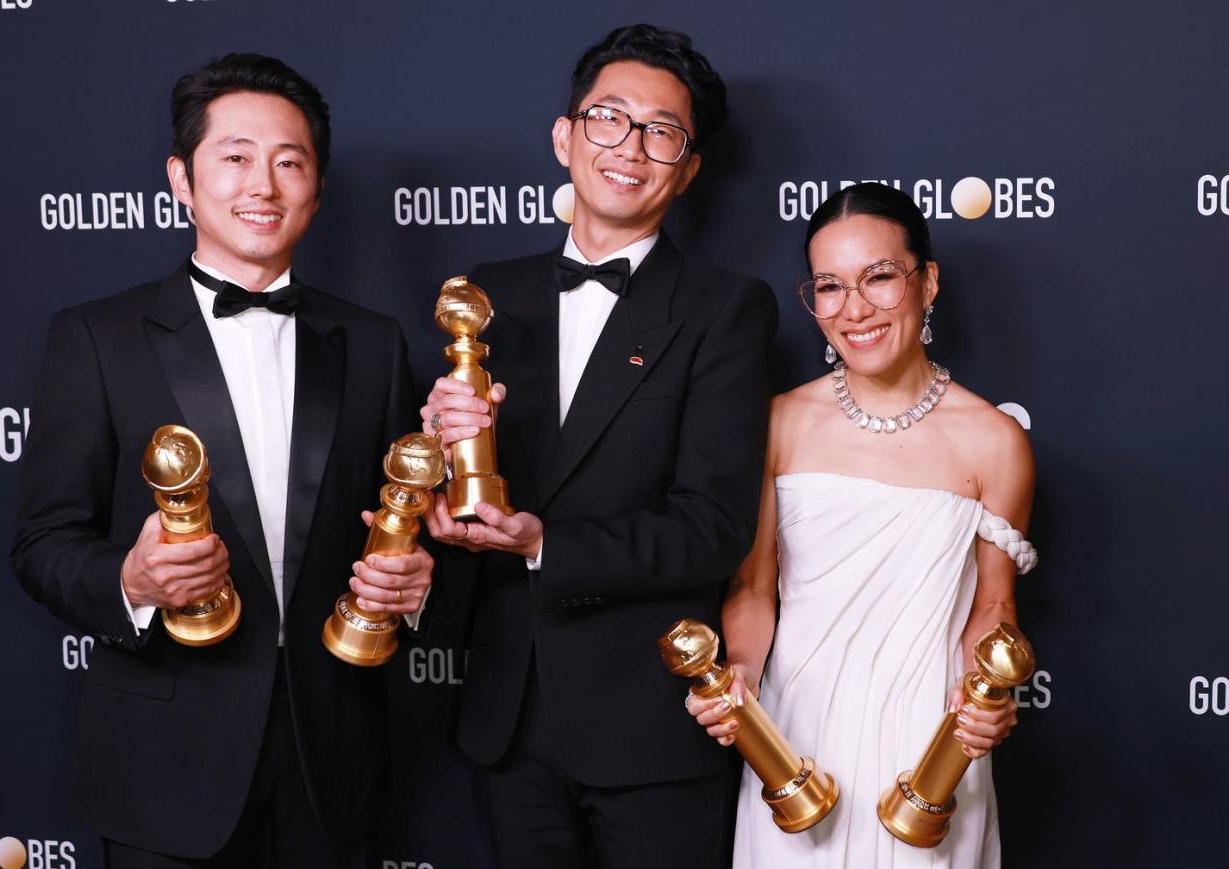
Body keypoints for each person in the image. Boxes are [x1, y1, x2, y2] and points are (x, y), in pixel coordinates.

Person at [11, 53, 431, 868]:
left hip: (334, 762)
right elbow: (41, 544)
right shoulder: (96, 338)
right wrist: (131, 583)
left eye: (288, 161)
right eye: (234, 157)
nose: (261, 186)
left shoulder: (374, 344)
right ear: (181, 178)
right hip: (162, 764)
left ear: (317, 183)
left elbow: (401, 534)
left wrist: (416, 585)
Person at [418, 24, 777, 869]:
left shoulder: (725, 309)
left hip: (649, 722)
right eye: (608, 118)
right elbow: (448, 498)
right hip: (505, 715)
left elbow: (711, 527)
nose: (630, 147)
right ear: (563, 136)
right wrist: (434, 464)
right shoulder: (483, 297)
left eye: (662, 131)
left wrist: (544, 543)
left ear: (687, 168)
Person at [687, 182, 1037, 868]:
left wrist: (984, 697)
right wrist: (740, 683)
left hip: (930, 750)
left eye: (879, 277)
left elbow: (993, 605)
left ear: (926, 281)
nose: (854, 309)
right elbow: (754, 587)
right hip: (794, 743)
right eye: (829, 286)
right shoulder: (777, 422)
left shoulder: (995, 441)